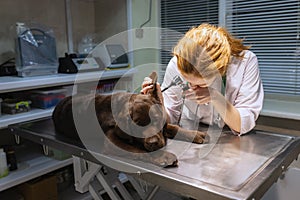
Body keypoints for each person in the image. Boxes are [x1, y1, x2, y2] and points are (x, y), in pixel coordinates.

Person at [141, 23, 264, 135]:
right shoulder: (176, 63)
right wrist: (159, 104)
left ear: (221, 70)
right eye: (187, 81)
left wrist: (215, 97)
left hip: (229, 135)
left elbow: (242, 124)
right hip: (191, 129)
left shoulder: (245, 62)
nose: (193, 88)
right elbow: (170, 118)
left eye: (201, 84)